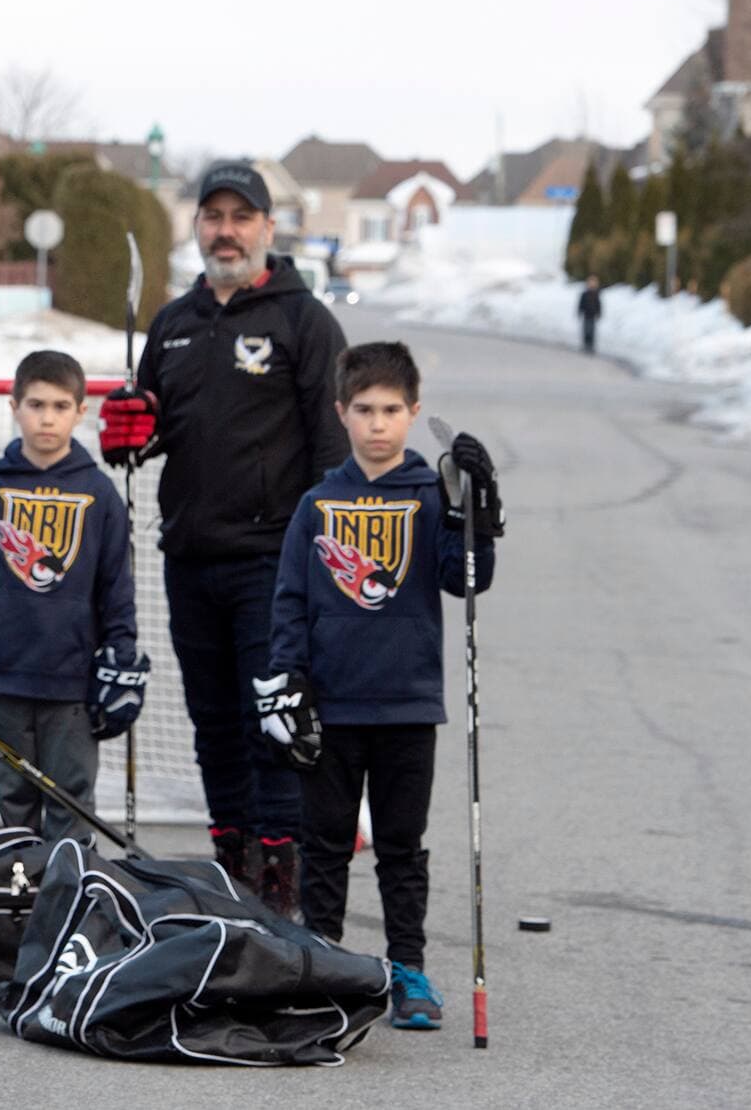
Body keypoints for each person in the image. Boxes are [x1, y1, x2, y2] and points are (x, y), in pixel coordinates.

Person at [97, 158, 348, 915]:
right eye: (214, 217)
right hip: (191, 556)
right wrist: (125, 435)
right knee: (212, 725)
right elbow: (147, 432)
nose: (227, 231)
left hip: (275, 563)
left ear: (268, 227)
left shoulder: (305, 322)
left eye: (242, 217)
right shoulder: (173, 324)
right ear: (199, 226)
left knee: (271, 721)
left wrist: (322, 561)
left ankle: (279, 882)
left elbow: (331, 451)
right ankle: (232, 866)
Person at [266, 341, 500, 1030]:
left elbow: (468, 578)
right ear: (341, 411)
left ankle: (408, 968)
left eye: (391, 410)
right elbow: (289, 601)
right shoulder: (317, 503)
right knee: (325, 843)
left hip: (407, 703)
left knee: (402, 845)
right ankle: (323, 962)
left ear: (414, 411)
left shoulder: (432, 494)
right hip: (331, 704)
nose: (378, 424)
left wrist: (478, 510)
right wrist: (288, 681)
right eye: (364, 409)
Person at [0, 350, 142, 841]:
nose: (47, 418)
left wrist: (121, 656)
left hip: (72, 682)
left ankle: (67, 887)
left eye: (60, 406)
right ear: (14, 406)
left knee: (70, 803)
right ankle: (18, 889)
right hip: (4, 676)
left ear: (81, 412)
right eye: (36, 405)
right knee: (14, 806)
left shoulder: (100, 494)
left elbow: (116, 589)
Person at [577, 275, 604, 353]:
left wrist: (599, 312)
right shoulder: (585, 294)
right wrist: (579, 311)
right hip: (586, 315)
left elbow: (598, 305)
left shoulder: (596, 295)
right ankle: (586, 344)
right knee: (586, 330)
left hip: (593, 315)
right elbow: (581, 304)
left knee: (592, 331)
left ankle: (591, 345)